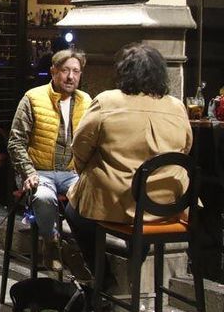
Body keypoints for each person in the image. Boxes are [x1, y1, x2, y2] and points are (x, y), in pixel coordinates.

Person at [63, 43, 192, 278]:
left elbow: (80, 148)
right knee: (139, 222)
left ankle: (103, 276)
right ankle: (134, 265)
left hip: (117, 202)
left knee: (74, 211)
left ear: (123, 71)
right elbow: (185, 149)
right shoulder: (177, 107)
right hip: (168, 205)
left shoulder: (107, 101)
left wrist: (87, 172)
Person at [7, 49, 90, 268]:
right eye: (65, 71)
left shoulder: (86, 101)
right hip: (38, 172)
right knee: (44, 197)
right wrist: (28, 172)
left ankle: (83, 252)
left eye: (76, 71)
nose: (70, 77)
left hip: (72, 173)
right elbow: (15, 141)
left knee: (91, 197)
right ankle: (52, 242)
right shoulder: (33, 97)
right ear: (53, 71)